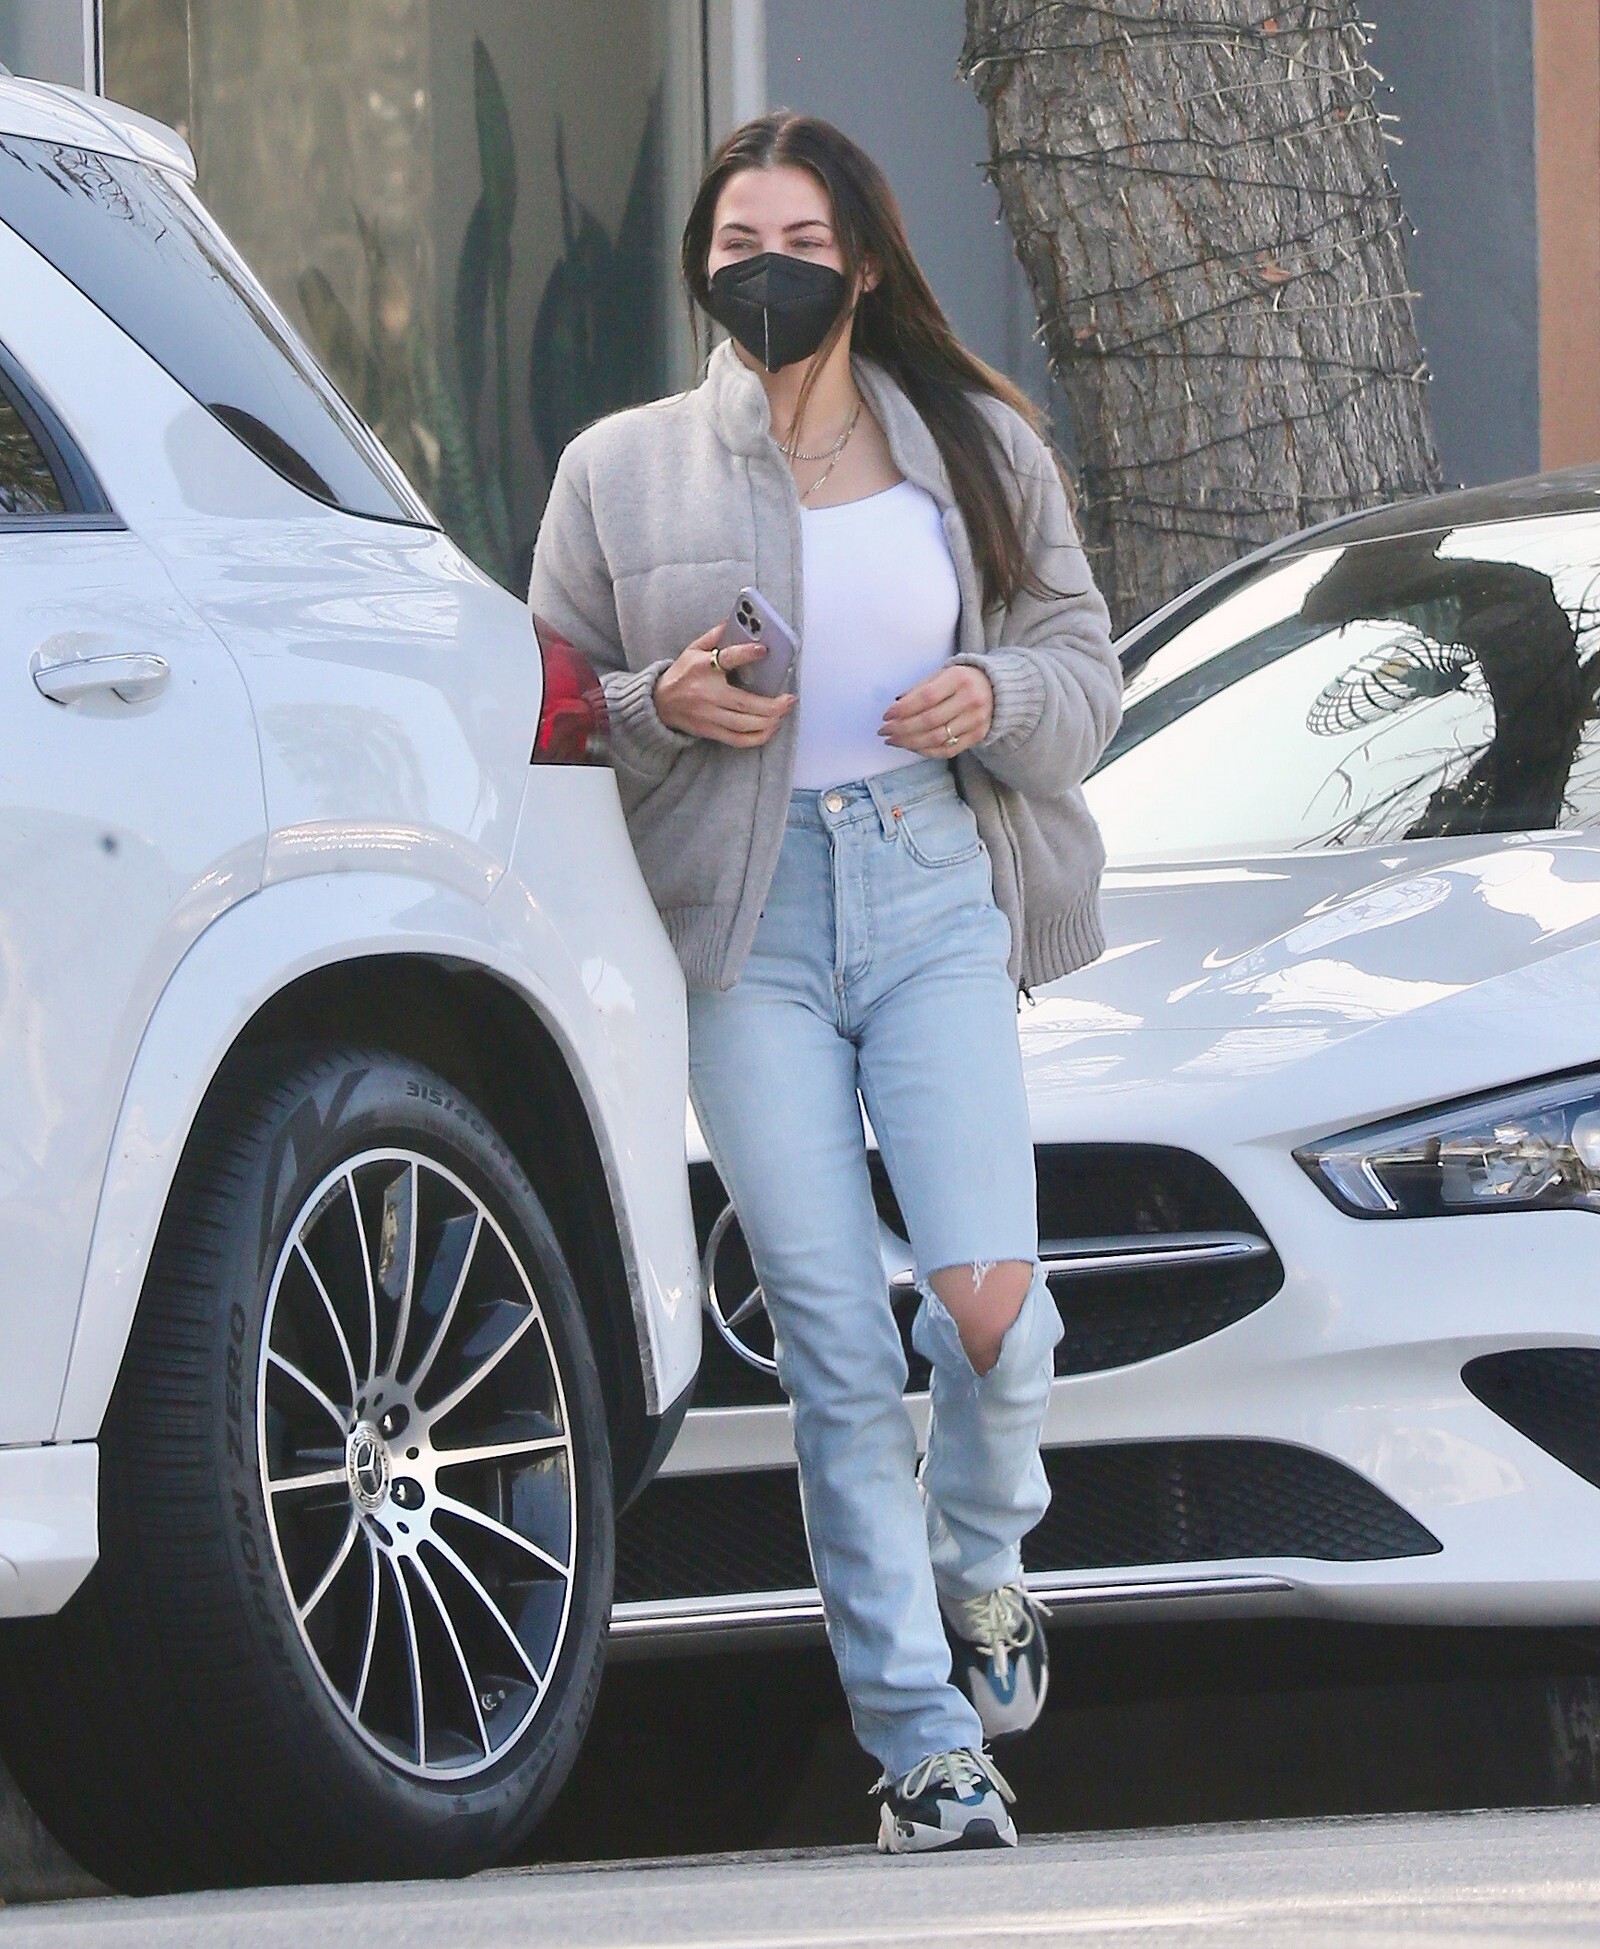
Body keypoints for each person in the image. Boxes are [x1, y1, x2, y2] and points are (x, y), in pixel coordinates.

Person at [530, 111, 1122, 1853]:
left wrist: (996, 697)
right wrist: (660, 703)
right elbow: (548, 707)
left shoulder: (979, 447)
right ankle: (923, 1743)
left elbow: (1084, 671)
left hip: (934, 885)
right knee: (837, 1344)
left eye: (799, 242)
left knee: (995, 1309)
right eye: (737, 245)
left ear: (860, 263)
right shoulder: (620, 469)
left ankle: (981, 1556)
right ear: (703, 269)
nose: (766, 270)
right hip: (743, 922)